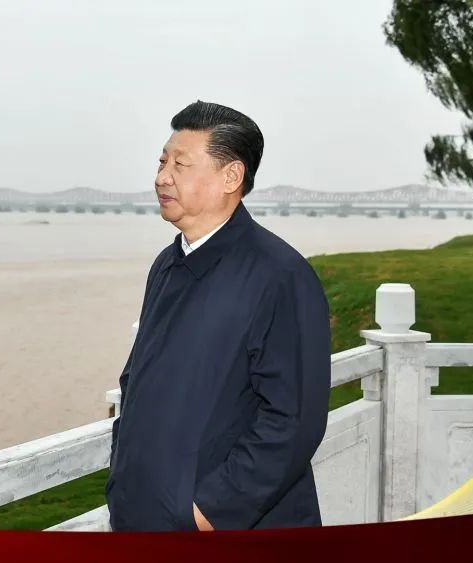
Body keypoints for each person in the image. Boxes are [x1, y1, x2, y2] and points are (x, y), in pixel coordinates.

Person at [104, 100, 331, 532]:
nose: (162, 177)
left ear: (231, 176)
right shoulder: (166, 266)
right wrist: (123, 480)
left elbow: (292, 422)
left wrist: (207, 512)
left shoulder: (280, 276)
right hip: (144, 517)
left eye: (180, 164)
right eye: (162, 161)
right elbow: (135, 382)